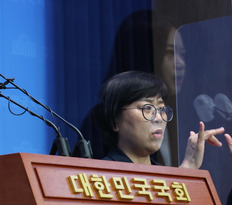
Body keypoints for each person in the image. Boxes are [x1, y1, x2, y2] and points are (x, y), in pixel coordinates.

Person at [94, 70, 225, 167]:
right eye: (147, 108)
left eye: (162, 109)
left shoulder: (164, 175)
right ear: (114, 122)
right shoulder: (100, 175)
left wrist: (188, 170)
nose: (158, 118)